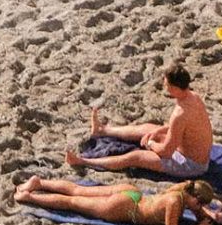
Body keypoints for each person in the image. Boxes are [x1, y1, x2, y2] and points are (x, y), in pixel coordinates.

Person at [68, 64, 213, 177]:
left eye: (166, 84)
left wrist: (150, 144)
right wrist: (157, 131)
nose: (164, 86)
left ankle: (82, 161)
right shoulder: (193, 96)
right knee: (147, 128)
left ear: (174, 88)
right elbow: (181, 126)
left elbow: (166, 152)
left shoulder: (180, 113)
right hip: (188, 150)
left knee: (135, 157)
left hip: (191, 165)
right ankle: (102, 130)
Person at [15, 172, 222, 225]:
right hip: (126, 210)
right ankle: (29, 197)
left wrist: (209, 213)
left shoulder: (184, 188)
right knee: (72, 203)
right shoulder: (174, 204)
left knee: (78, 190)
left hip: (132, 193)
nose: (198, 208)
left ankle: (39, 182)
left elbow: (196, 209)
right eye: (200, 203)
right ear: (194, 197)